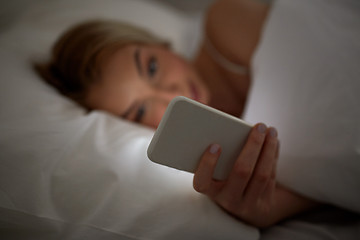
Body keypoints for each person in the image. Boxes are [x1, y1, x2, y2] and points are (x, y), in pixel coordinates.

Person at [35, 0, 319, 228]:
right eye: (141, 110)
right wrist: (266, 212)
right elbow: (334, 183)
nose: (169, 94)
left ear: (159, 44)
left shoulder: (226, 21)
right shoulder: (221, 161)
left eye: (152, 68)